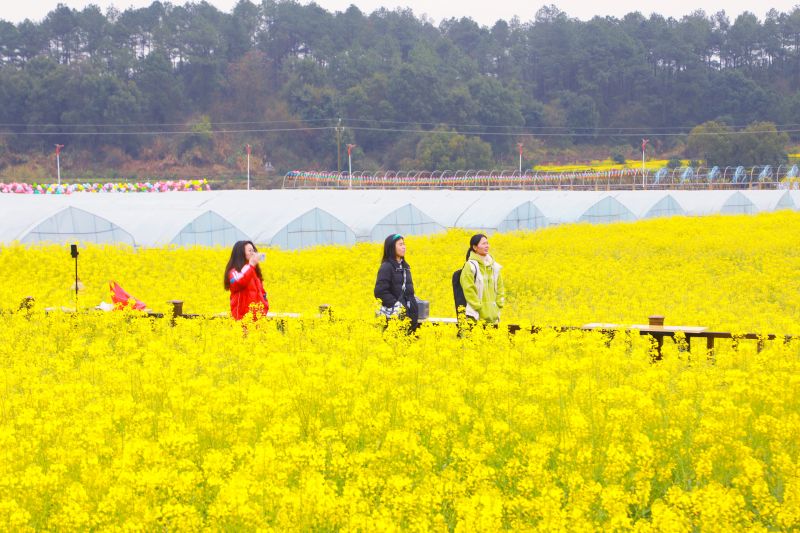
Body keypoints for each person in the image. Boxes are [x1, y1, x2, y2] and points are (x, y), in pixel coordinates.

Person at [374, 234, 419, 331]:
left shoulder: (405, 267)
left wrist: (413, 302)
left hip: (410, 317)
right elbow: (380, 292)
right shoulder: (386, 267)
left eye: (404, 244)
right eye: (400, 244)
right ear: (391, 247)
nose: (404, 247)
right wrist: (397, 305)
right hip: (395, 318)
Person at [460, 233, 505, 325]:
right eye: (483, 243)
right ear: (475, 247)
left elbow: (500, 287)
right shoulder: (471, 266)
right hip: (476, 315)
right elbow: (469, 290)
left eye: (487, 243)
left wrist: (499, 304)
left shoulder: (494, 266)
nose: (487, 246)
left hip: (493, 315)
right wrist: (478, 307)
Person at [224, 240, 269, 320]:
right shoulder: (234, 271)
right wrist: (251, 265)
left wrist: (264, 307)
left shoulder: (253, 271)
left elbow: (262, 292)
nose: (253, 253)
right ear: (241, 253)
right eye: (250, 250)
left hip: (258, 318)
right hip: (242, 318)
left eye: (253, 250)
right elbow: (238, 282)